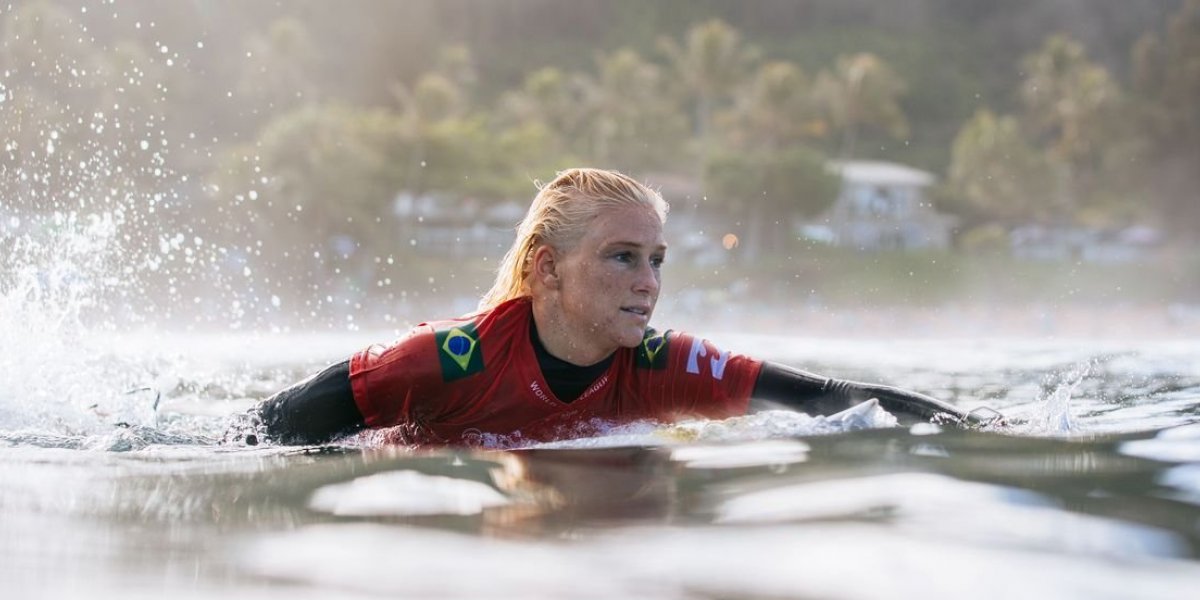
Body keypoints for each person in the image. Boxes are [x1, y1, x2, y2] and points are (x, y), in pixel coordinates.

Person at [237, 168, 997, 447]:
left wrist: (982, 433)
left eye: (657, 261)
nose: (648, 282)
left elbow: (831, 403)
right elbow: (261, 435)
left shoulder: (671, 364)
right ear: (547, 271)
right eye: (622, 257)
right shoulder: (444, 360)